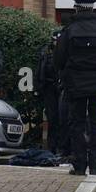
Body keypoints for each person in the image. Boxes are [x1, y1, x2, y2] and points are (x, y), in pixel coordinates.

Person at [55, 0, 96, 176]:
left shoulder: (69, 31)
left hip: (76, 84)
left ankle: (80, 166)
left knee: (77, 124)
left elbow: (58, 59)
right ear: (92, 9)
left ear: (76, 8)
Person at [37, 28, 65, 156]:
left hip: (63, 88)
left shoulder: (67, 52)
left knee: (63, 118)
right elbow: (40, 71)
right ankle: (51, 148)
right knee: (52, 119)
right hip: (49, 88)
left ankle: (62, 148)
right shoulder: (45, 52)